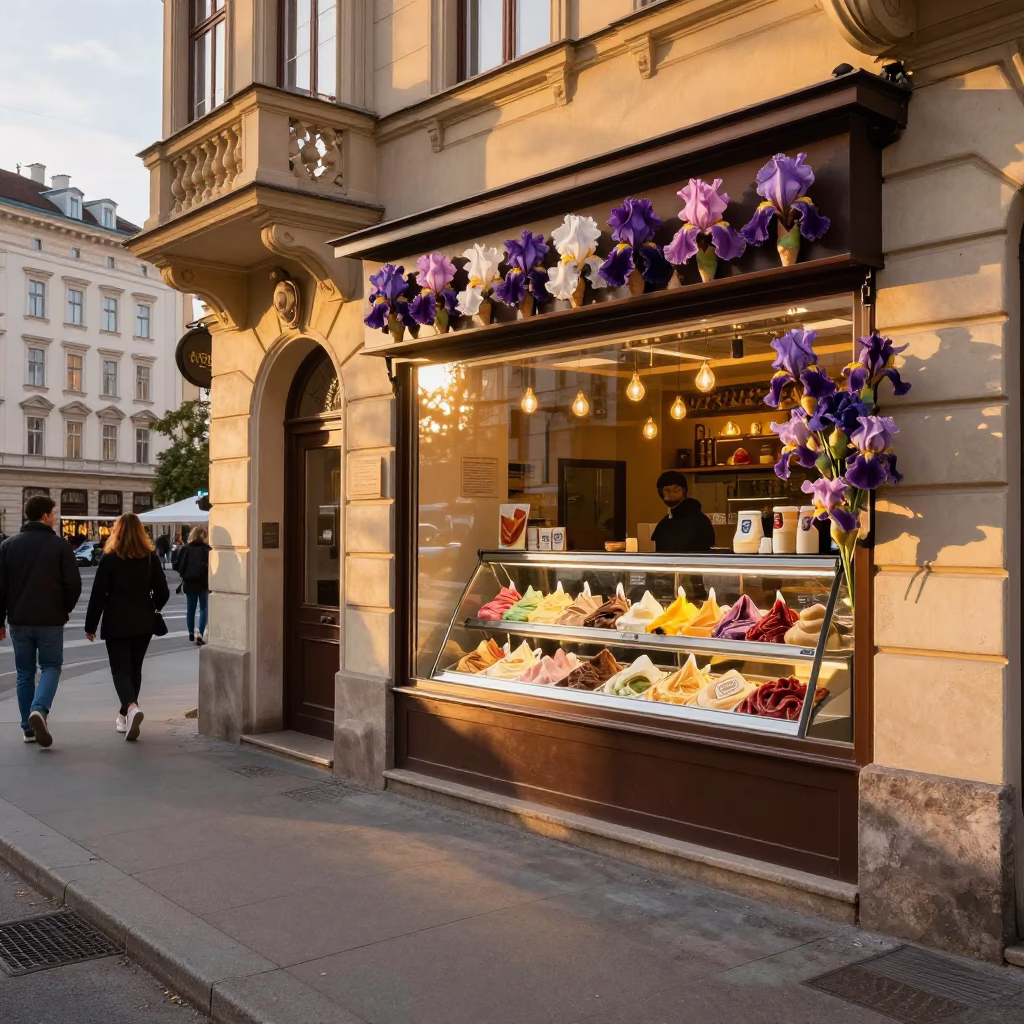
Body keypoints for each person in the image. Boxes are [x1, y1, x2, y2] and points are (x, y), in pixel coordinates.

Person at [0, 495, 82, 746]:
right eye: (54, 514)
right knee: (50, 667)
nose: (55, 518)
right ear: (46, 516)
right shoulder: (60, 546)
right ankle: (40, 709)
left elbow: (1, 587)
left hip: (19, 620)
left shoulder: (8, 546)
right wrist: (63, 609)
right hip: (50, 619)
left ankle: (27, 727)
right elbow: (74, 585)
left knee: (24, 673)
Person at [84, 513, 169, 742]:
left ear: (117, 531)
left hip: (116, 620)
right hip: (143, 621)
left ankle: (131, 708)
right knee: (135, 668)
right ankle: (126, 714)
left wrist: (90, 625)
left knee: (120, 669)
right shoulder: (149, 558)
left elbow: (98, 595)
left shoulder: (109, 558)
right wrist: (153, 607)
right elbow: (163, 592)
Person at [651, 471, 716, 553]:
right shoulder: (665, 522)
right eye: (667, 490)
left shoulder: (699, 520)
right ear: (661, 493)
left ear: (684, 491)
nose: (671, 494)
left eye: (676, 490)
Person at [176, 526, 211, 646]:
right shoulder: (207, 549)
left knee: (190, 609)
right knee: (204, 608)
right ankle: (200, 633)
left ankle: (191, 633)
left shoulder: (185, 548)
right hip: (203, 582)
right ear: (204, 536)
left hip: (189, 581)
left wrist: (184, 573)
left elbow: (177, 564)